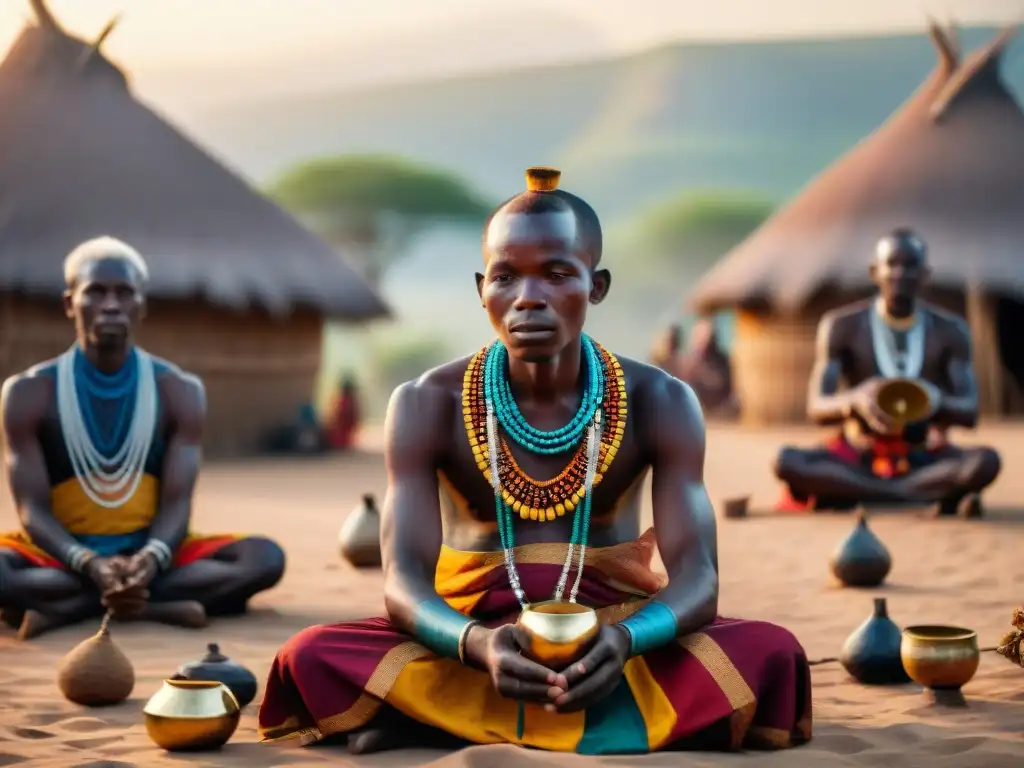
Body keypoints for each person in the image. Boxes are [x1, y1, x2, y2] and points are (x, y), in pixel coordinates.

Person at [258, 168, 811, 755]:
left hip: (610, 630)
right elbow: (403, 585)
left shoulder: (661, 400)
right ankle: (578, 716)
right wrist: (476, 644)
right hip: (470, 637)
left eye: (555, 274)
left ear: (595, 286)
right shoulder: (427, 404)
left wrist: (626, 638)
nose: (528, 298)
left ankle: (429, 718)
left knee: (774, 655)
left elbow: (700, 579)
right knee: (307, 657)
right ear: (481, 288)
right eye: (505, 276)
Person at [0, 236, 287, 640]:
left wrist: (151, 559)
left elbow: (177, 501)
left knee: (264, 557)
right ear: (70, 304)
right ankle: (154, 604)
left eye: (124, 292)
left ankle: (76, 606)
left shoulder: (179, 390)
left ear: (142, 305)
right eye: (96, 292)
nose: (112, 304)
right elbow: (33, 511)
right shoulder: (29, 392)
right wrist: (89, 564)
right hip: (62, 556)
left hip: (153, 554)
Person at [774, 228, 1001, 516]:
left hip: (922, 454)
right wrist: (855, 400)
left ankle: (855, 493)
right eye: (892, 264)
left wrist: (935, 401)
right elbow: (816, 405)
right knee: (786, 461)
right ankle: (915, 495)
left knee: (986, 462)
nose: (900, 274)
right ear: (874, 271)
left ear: (925, 274)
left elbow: (970, 411)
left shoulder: (950, 331)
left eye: (910, 266)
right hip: (860, 454)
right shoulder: (842, 326)